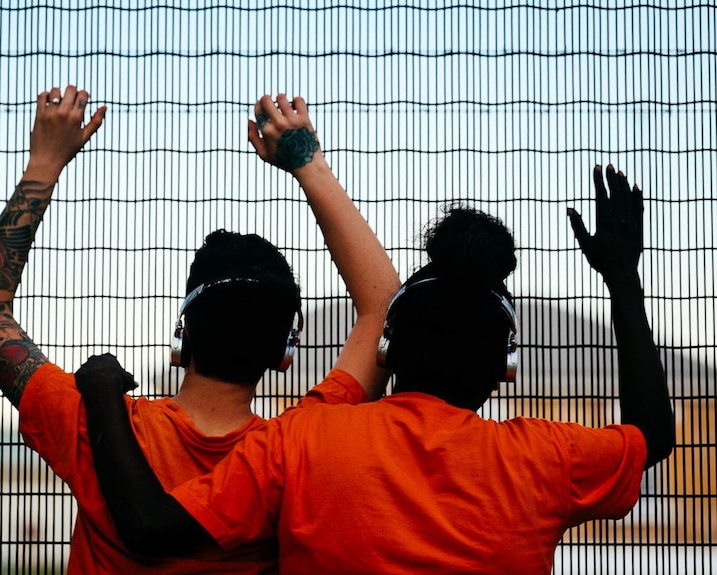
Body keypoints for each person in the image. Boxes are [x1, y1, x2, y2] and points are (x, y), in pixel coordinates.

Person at [76, 165, 675, 574]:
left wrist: (102, 393)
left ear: (387, 353)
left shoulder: (304, 439)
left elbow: (150, 527)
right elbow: (652, 436)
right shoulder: (547, 458)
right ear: (505, 368)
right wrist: (622, 278)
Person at [0, 86, 400, 573]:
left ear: (183, 334)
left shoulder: (89, 420)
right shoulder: (296, 449)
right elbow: (383, 308)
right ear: (284, 353)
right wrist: (306, 162)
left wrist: (44, 162)